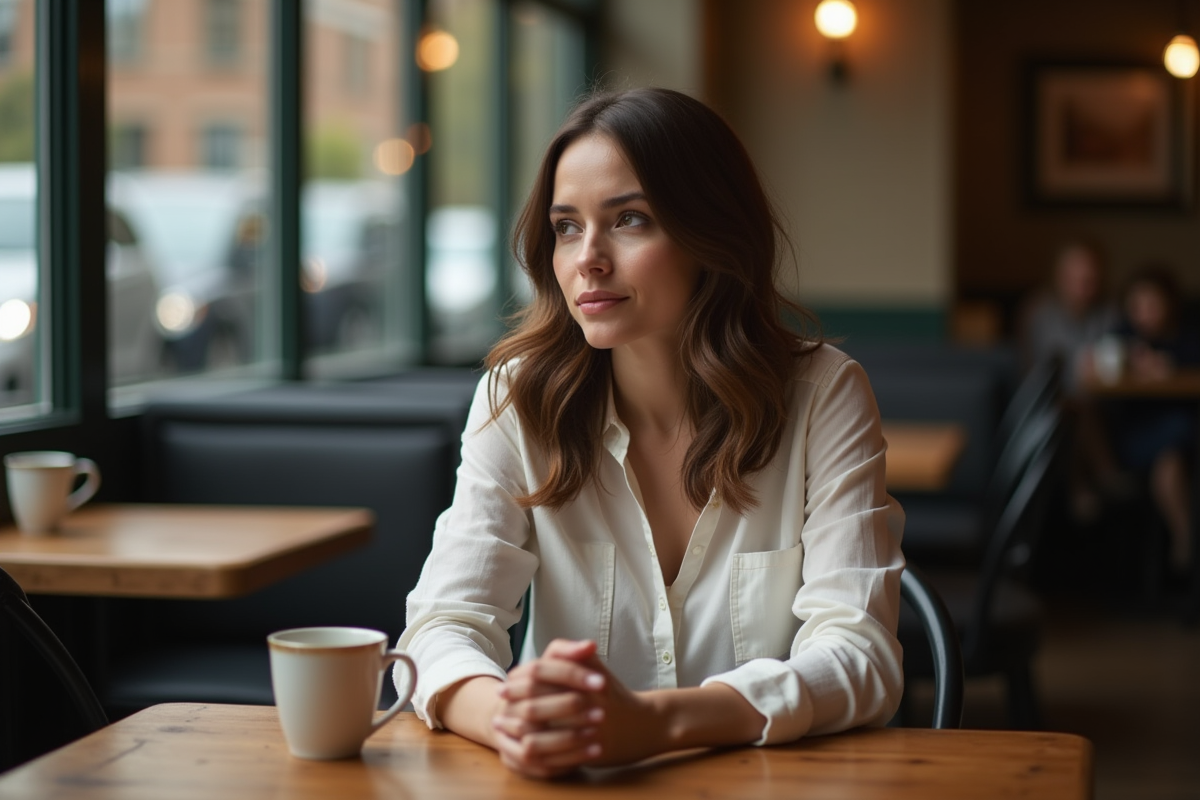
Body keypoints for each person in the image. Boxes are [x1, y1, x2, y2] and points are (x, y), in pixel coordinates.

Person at [397, 87, 904, 779]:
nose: (588, 258)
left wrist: (656, 724)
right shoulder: (517, 399)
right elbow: (440, 627)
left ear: (711, 234)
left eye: (629, 220)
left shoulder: (823, 395)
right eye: (566, 226)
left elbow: (860, 655)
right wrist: (510, 719)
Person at [1107, 265, 1200, 576]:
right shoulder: (1122, 338)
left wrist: (1169, 367)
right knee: (1180, 430)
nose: (1145, 312)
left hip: (1177, 445)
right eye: (1137, 305)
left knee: (1170, 461)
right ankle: (1187, 541)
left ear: (1169, 303)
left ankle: (1185, 540)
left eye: (1152, 304)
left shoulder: (1188, 337)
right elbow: (1101, 372)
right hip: (1138, 436)